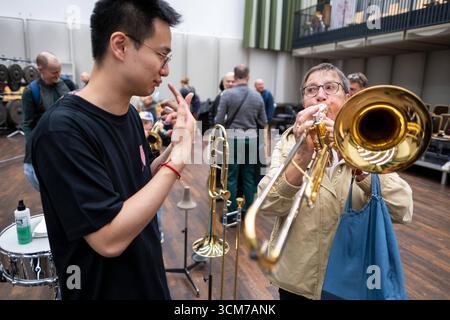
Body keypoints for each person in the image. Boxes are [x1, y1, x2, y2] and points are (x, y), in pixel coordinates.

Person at [31, 0, 196, 300]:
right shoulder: (62, 131)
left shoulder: (129, 114)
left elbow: (137, 186)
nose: (166, 69)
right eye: (161, 55)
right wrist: (179, 161)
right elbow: (108, 238)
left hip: (146, 280)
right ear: (120, 45)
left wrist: (175, 147)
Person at [259, 63, 413, 300]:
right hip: (297, 281)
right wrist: (302, 154)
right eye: (311, 90)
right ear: (304, 102)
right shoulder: (289, 142)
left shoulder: (367, 142)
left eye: (330, 87)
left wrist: (355, 159)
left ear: (347, 97)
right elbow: (268, 205)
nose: (320, 95)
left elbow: (402, 209)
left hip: (352, 280)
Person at [215, 64, 267, 216]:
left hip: (232, 138)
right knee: (249, 177)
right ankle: (248, 212)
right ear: (248, 77)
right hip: (251, 139)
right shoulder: (257, 96)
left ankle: (231, 212)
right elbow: (263, 121)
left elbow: (218, 120)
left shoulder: (227, 95)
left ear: (235, 76)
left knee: (231, 176)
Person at [21, 51, 78, 191]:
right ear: (41, 68)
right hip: (44, 145)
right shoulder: (31, 91)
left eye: (59, 71)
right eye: (53, 72)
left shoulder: (68, 84)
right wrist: (33, 145)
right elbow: (27, 123)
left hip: (68, 143)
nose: (58, 75)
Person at [139, 110, 165, 243]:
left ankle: (159, 231)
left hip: (154, 176)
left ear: (151, 123)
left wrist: (161, 131)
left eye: (146, 122)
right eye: (141, 123)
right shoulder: (137, 135)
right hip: (142, 177)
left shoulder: (155, 135)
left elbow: (157, 152)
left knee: (158, 210)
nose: (144, 125)